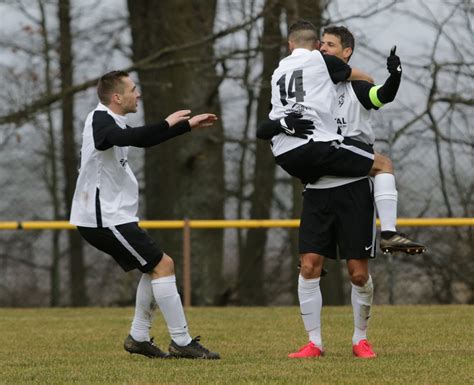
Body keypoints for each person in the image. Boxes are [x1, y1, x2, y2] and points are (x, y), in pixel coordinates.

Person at [70, 70, 220, 359]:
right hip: (102, 218)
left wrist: (185, 126)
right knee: (163, 266)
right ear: (116, 97)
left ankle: (139, 337)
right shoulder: (100, 118)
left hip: (112, 216)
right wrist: (167, 123)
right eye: (132, 89)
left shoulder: (113, 120)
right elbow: (123, 139)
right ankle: (181, 341)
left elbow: (141, 138)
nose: (137, 94)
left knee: (156, 268)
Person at [257, 19, 425, 255]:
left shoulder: (354, 88)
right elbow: (267, 126)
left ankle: (388, 233)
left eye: (330, 44)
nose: (324, 48)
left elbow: (381, 95)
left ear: (346, 52)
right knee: (308, 265)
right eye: (322, 44)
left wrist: (395, 76)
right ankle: (388, 233)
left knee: (357, 272)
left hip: (351, 175)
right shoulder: (309, 80)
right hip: (321, 179)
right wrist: (283, 125)